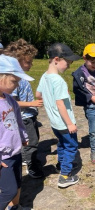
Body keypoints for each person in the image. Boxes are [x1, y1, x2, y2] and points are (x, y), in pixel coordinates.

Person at [36, 43, 80, 188]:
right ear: (56, 59)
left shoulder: (45, 76)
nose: (68, 66)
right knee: (71, 146)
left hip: (54, 123)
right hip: (64, 123)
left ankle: (61, 165)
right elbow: (61, 104)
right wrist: (70, 123)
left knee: (62, 144)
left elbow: (38, 94)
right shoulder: (58, 80)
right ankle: (65, 176)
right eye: (67, 63)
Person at [2, 39, 44, 179]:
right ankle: (31, 166)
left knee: (34, 140)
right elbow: (13, 103)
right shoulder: (11, 81)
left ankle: (29, 160)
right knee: (31, 144)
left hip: (30, 115)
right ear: (17, 62)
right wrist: (32, 103)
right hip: (23, 117)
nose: (31, 64)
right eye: (28, 62)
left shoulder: (21, 79)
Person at [0, 54, 33, 210]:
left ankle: (15, 207)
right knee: (8, 190)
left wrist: (23, 136)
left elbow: (18, 121)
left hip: (15, 151)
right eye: (14, 81)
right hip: (3, 156)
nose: (17, 86)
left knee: (18, 183)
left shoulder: (10, 100)